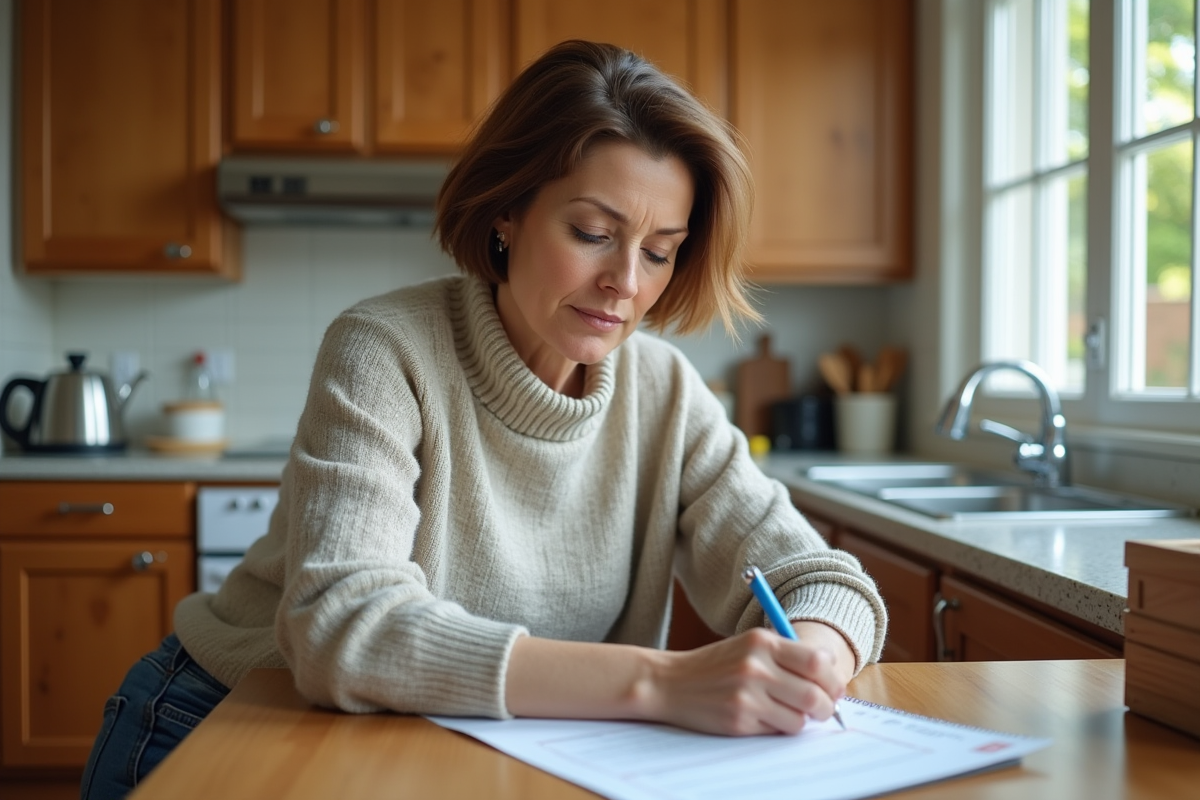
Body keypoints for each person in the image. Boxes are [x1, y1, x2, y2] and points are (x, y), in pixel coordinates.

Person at [80, 39, 887, 800]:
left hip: (472, 745)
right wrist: (663, 681)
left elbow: (817, 578)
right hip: (225, 721)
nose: (625, 284)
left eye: (659, 250)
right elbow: (342, 629)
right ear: (506, 213)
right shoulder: (385, 350)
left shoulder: (666, 391)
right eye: (593, 233)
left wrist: (810, 659)